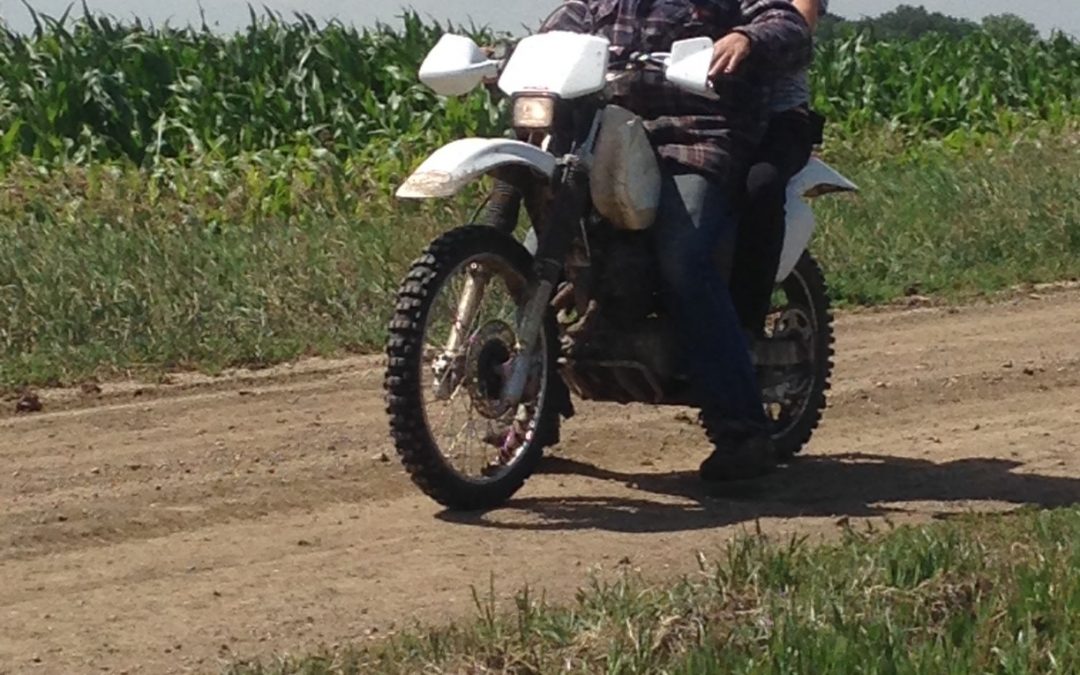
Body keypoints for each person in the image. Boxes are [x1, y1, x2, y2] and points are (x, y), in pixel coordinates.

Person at [542, 0, 811, 481]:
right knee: (544, 244)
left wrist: (747, 39)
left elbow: (786, 22)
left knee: (684, 258)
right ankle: (531, 407)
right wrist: (524, 53)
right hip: (609, 135)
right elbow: (568, 22)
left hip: (695, 135)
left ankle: (742, 431)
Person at [730, 0, 828, 336]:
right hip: (697, 112)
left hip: (777, 117)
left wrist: (748, 40)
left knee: (760, 184)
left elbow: (799, 25)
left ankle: (745, 331)